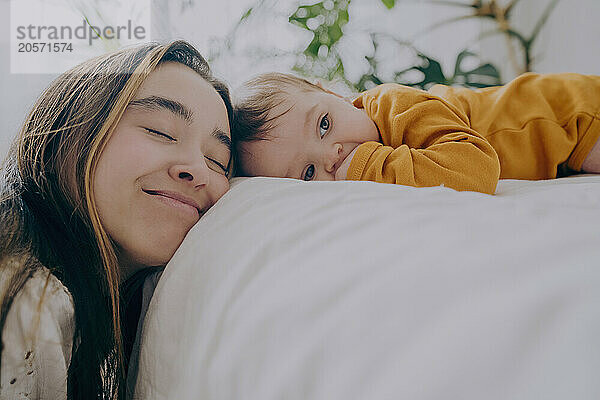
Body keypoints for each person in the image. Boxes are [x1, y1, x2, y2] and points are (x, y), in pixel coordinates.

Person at [0, 40, 233, 399]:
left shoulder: (112, 338)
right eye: (160, 131)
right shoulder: (27, 295)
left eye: (217, 160)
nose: (198, 170)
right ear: (69, 132)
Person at [232, 72, 600, 194]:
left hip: (573, 114)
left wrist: (367, 165)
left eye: (324, 124)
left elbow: (477, 169)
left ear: (332, 93)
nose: (334, 154)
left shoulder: (393, 103)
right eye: (309, 172)